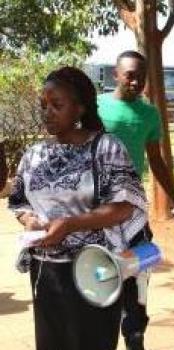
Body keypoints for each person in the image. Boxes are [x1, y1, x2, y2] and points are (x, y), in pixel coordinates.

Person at [8, 67, 148, 350]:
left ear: (80, 107)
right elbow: (19, 200)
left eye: (57, 105)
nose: (47, 112)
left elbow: (125, 206)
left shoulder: (106, 148)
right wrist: (29, 219)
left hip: (96, 270)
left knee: (91, 341)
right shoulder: (34, 154)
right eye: (43, 106)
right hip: (46, 271)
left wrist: (71, 224)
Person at [98, 50, 174, 350]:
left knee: (139, 269)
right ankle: (100, 333)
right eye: (130, 75)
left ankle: (135, 334)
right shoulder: (96, 106)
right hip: (96, 209)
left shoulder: (149, 114)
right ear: (116, 75)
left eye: (141, 77)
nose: (136, 82)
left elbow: (156, 160)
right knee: (102, 270)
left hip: (132, 209)